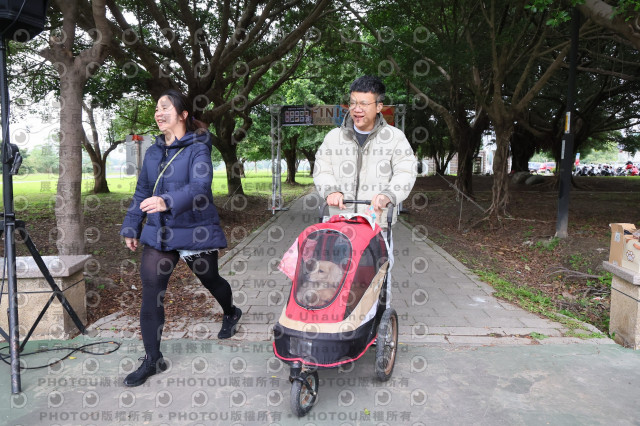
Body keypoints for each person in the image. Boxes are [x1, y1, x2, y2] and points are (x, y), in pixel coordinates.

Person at [120, 89, 242, 387]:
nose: (158, 113)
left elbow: (201, 186)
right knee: (152, 292)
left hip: (194, 229)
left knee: (210, 279)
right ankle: (153, 359)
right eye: (156, 109)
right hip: (160, 232)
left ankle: (231, 312)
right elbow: (142, 191)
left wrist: (167, 201)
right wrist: (132, 225)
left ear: (183, 114)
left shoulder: (198, 147)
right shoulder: (153, 151)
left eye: (165, 108)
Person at [314, 75, 417, 227]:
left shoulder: (395, 137)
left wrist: (388, 195)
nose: (357, 109)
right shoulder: (333, 137)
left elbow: (406, 172)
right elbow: (322, 169)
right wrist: (331, 190)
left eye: (363, 104)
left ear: (379, 107)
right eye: (353, 103)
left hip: (377, 224)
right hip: (340, 222)